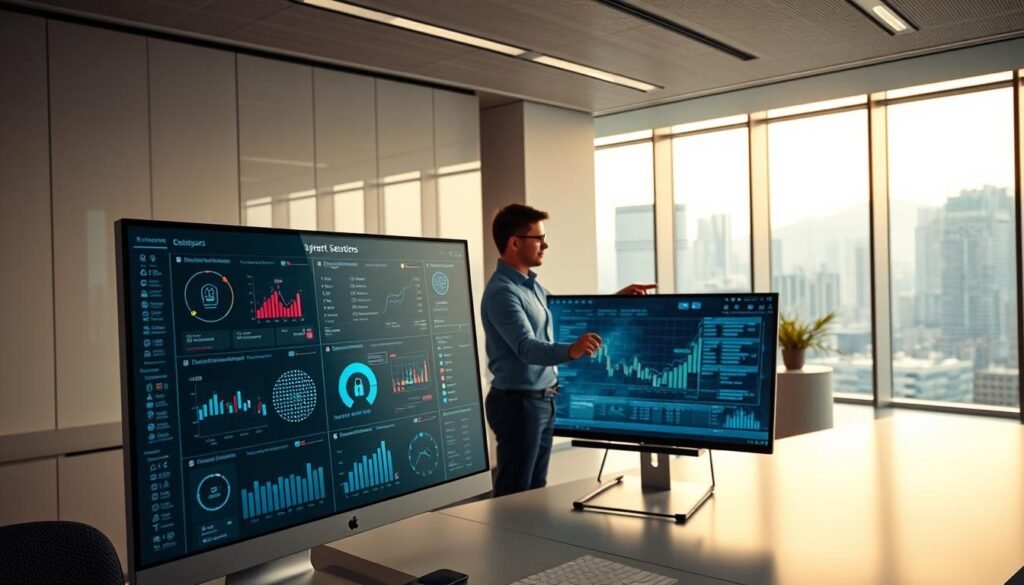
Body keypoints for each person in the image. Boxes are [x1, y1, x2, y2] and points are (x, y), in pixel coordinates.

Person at [481, 203, 654, 497]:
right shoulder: (502, 293)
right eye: (538, 238)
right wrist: (572, 351)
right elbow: (526, 348)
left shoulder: (532, 287)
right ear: (514, 243)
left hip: (542, 400)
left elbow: (568, 319)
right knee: (514, 493)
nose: (545, 245)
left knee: (535, 491)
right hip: (518, 405)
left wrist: (618, 300)